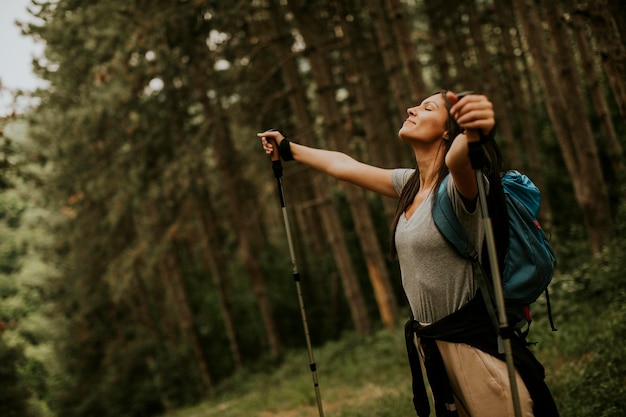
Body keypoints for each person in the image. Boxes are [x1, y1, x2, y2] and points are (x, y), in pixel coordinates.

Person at [257, 90, 558, 417]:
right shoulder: (411, 185)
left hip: (476, 351)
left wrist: (475, 128)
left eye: (427, 107)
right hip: (435, 350)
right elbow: (343, 165)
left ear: (447, 130)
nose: (411, 109)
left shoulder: (459, 188)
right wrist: (288, 148)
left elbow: (459, 157)